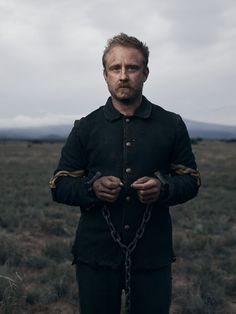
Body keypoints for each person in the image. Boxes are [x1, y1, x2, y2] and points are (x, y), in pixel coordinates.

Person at [50, 33, 200, 314]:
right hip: (95, 255)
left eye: (131, 68)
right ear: (105, 75)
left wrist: (163, 188)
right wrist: (91, 189)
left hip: (152, 256)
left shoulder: (171, 124)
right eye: (115, 68)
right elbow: (59, 185)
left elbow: (191, 180)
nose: (123, 76)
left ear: (145, 73)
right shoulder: (85, 127)